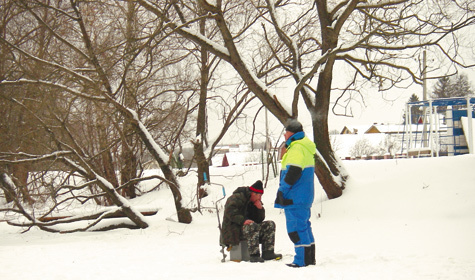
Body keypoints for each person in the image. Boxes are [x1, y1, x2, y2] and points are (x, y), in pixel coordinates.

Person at [274, 119, 317, 267]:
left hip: (295, 196)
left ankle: (301, 261)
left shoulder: (296, 148)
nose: (285, 135)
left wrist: (282, 190)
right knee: (304, 226)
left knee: (296, 229)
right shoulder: (304, 147)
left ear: (291, 133)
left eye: (286, 132)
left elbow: (293, 172)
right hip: (304, 195)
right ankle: (309, 259)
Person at [220, 180, 282, 263]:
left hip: (249, 229)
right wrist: (243, 220)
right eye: (259, 196)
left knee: (270, 224)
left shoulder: (254, 201)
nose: (260, 198)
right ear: (253, 193)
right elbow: (230, 213)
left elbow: (259, 219)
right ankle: (254, 255)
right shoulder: (236, 198)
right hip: (233, 230)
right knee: (251, 225)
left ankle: (268, 252)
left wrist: (259, 209)